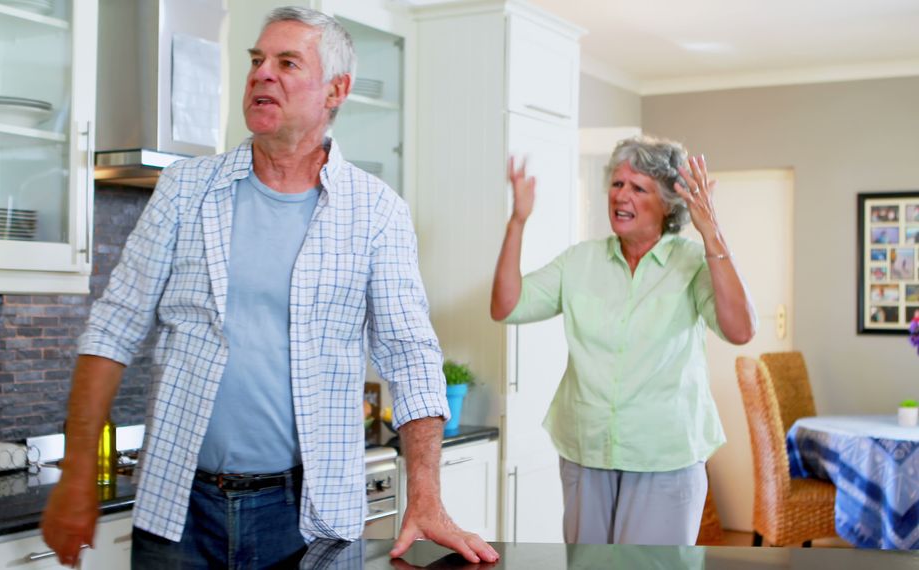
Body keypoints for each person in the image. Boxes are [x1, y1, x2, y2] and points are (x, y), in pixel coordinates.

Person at [41, 7, 498, 568]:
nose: (262, 74)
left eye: (287, 62)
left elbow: (409, 354)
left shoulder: (377, 211)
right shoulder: (187, 188)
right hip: (176, 509)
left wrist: (426, 494)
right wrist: (78, 470)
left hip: (307, 520)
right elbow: (114, 326)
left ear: (336, 90)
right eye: (257, 60)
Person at [490, 136, 757, 545]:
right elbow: (506, 306)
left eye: (638, 187)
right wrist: (517, 222)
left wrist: (712, 234)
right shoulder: (581, 260)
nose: (622, 196)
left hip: (664, 457)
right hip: (586, 451)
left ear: (668, 204)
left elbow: (740, 330)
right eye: (617, 184)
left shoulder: (690, 262)